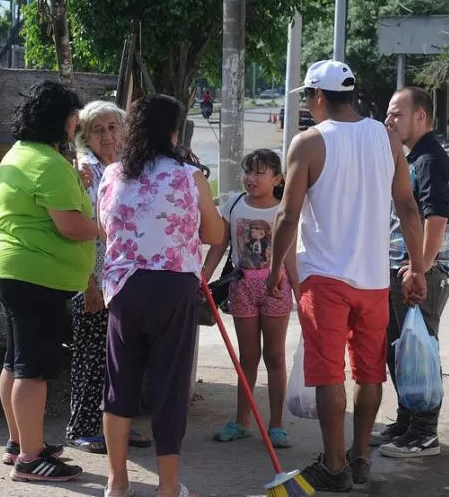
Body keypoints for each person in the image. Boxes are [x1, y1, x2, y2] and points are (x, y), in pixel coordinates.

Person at [266, 59, 427, 491]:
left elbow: (287, 215)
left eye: (308, 97)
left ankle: (334, 466)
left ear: (319, 96)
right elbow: (408, 208)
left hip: (325, 279)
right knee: (371, 372)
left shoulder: (309, 143)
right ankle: (360, 459)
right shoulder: (387, 138)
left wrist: (274, 269)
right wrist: (416, 267)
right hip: (374, 279)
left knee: (330, 376)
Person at [98, 94, 224, 497]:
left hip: (124, 288)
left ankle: (117, 484)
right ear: (174, 133)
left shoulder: (113, 174)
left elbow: (106, 228)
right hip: (172, 287)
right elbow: (215, 235)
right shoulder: (189, 176)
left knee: (120, 385)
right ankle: (168, 488)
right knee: (170, 387)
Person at [0, 81, 97, 483]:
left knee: (15, 362)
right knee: (33, 370)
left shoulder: (19, 154)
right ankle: (31, 459)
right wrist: (105, 226)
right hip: (37, 274)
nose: (75, 126)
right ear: (62, 120)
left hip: (12, 269)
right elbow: (70, 226)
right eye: (73, 118)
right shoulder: (48, 164)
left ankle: (20, 442)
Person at [66, 100, 151, 454]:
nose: (108, 136)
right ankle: (83, 427)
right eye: (98, 130)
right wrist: (90, 284)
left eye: (113, 128)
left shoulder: (122, 169)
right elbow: (89, 231)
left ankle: (115, 425)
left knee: (121, 358)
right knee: (92, 355)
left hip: (123, 281)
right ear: (86, 137)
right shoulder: (87, 171)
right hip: (95, 281)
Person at [376, 86, 449, 459]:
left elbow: (436, 221)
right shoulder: (415, 157)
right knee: (402, 350)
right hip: (406, 269)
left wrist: (418, 270)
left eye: (397, 114)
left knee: (419, 352)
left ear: (420, 117)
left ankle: (425, 432)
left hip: (421, 272)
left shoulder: (429, 160)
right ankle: (407, 422)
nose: (389, 120)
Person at [202, 149, 299, 449]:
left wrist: (300, 292)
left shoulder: (284, 210)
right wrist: (203, 276)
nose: (251, 178)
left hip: (276, 288)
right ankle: (241, 422)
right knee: (247, 358)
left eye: (259, 172)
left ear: (277, 178)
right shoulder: (233, 205)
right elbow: (219, 245)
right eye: (248, 172)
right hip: (241, 288)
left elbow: (291, 257)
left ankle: (277, 425)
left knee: (275, 356)